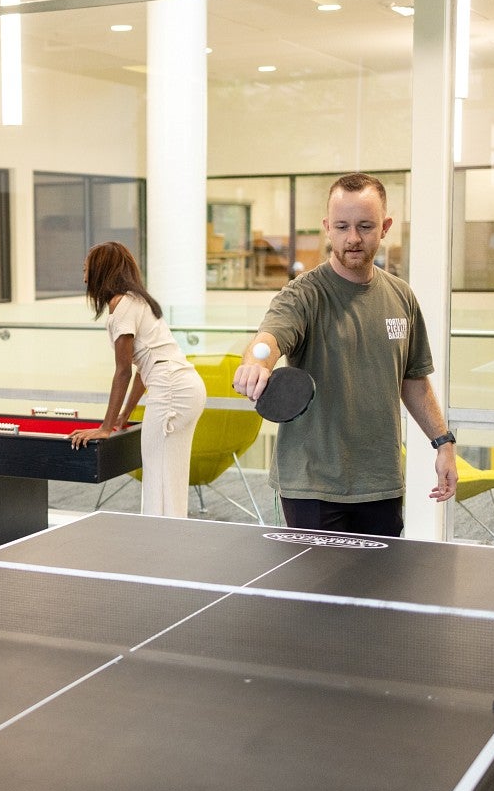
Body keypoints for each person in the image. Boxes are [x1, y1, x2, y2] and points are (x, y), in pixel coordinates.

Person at [233, 172, 456, 536]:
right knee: (317, 592)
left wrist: (443, 442)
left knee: (378, 590)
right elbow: (270, 336)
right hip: (313, 485)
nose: (353, 238)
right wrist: (256, 362)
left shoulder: (401, 297)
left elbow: (414, 381)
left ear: (385, 227)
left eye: (365, 226)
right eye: (342, 226)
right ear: (327, 228)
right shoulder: (302, 295)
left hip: (380, 480)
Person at [69, 241, 206, 518]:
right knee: (172, 475)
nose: (84, 277)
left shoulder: (122, 306)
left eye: (86, 270)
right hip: (187, 385)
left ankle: (157, 545)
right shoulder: (137, 301)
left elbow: (123, 371)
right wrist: (125, 414)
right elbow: (143, 369)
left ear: (100, 271)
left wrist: (106, 427)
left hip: (170, 389)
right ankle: (170, 542)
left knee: (157, 475)